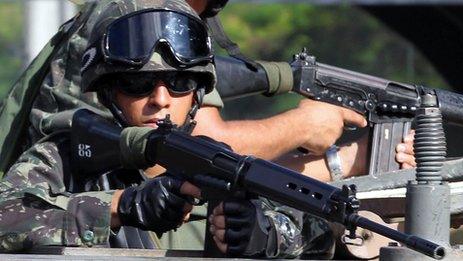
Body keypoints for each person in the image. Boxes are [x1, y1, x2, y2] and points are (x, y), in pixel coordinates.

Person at [0, 1, 328, 258]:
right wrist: (121, 206)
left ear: (199, 93)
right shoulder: (64, 157)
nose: (160, 99)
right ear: (108, 92)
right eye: (137, 84)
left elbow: (317, 230)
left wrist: (268, 235)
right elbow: (7, 217)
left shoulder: (221, 164)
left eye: (179, 83)